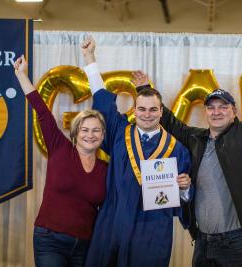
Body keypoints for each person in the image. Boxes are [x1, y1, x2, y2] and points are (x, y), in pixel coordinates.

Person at [132, 44, 242, 267]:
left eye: (223, 107)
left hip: (237, 242)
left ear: (234, 112)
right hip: (203, 241)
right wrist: (144, 89)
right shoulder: (197, 138)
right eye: (211, 107)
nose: (217, 112)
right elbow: (170, 123)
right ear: (206, 113)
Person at [81, 36, 193, 267]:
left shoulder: (177, 149)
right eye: (141, 109)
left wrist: (185, 189)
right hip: (114, 221)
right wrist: (90, 58)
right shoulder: (120, 133)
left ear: (161, 111)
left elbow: (184, 199)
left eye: (153, 109)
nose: (147, 114)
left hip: (151, 228)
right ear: (135, 109)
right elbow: (102, 100)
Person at [14, 55, 108, 267]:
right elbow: (41, 111)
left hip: (85, 246)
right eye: (84, 130)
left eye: (96, 131)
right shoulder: (60, 147)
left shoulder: (106, 169)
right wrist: (21, 75)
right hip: (50, 240)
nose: (90, 135)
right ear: (75, 133)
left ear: (103, 136)